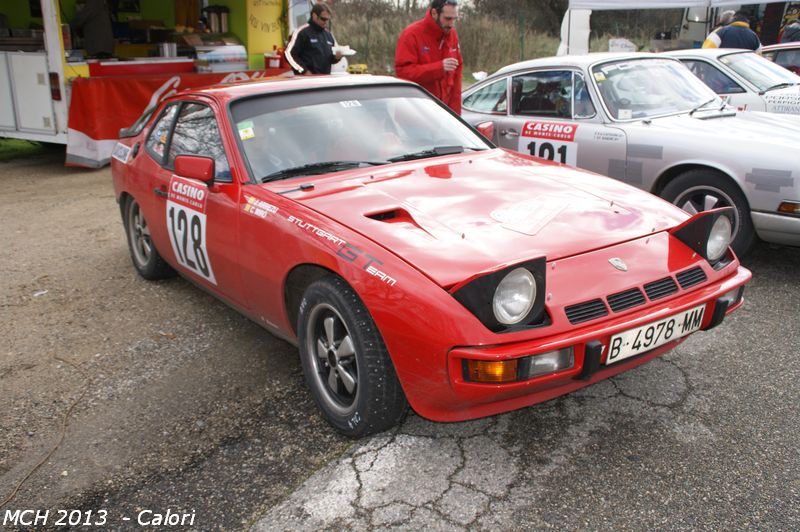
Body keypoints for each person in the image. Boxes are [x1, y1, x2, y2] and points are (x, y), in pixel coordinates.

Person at [395, 0, 463, 114]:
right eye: (447, 19)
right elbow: (403, 73)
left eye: (454, 19)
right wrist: (438, 68)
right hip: (415, 113)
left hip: (443, 115)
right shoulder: (412, 34)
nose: (451, 24)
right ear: (434, 13)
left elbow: (457, 78)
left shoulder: (452, 35)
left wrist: (455, 115)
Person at [285, 2, 343, 75]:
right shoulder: (301, 32)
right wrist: (303, 71)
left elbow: (330, 59)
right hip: (305, 81)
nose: (326, 22)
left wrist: (337, 58)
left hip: (325, 81)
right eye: (323, 19)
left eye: (327, 20)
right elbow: (288, 54)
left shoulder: (328, 35)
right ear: (314, 16)